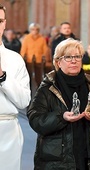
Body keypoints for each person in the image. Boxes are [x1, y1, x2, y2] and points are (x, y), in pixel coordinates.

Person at [27, 38, 90, 170]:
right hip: (58, 160)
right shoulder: (48, 87)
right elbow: (35, 119)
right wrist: (61, 117)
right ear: (58, 62)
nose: (74, 60)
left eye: (77, 56)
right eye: (68, 57)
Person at [0, 4, 31, 170]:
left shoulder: (15, 59)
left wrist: (3, 77)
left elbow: (24, 101)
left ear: (5, 24)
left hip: (8, 132)